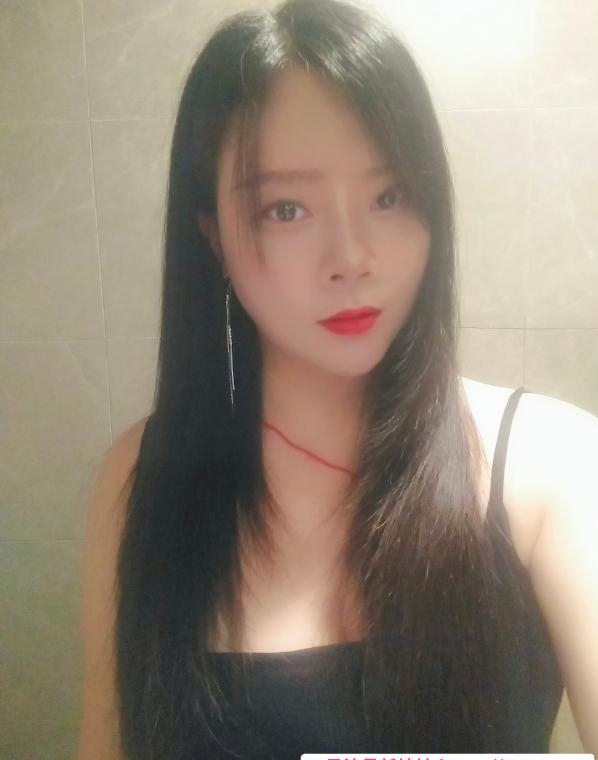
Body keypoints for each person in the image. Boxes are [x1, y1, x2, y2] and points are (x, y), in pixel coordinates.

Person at [76, 0, 598, 758]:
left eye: (389, 196)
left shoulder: (553, 465)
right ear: (212, 234)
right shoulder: (141, 478)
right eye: (287, 209)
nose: (351, 257)